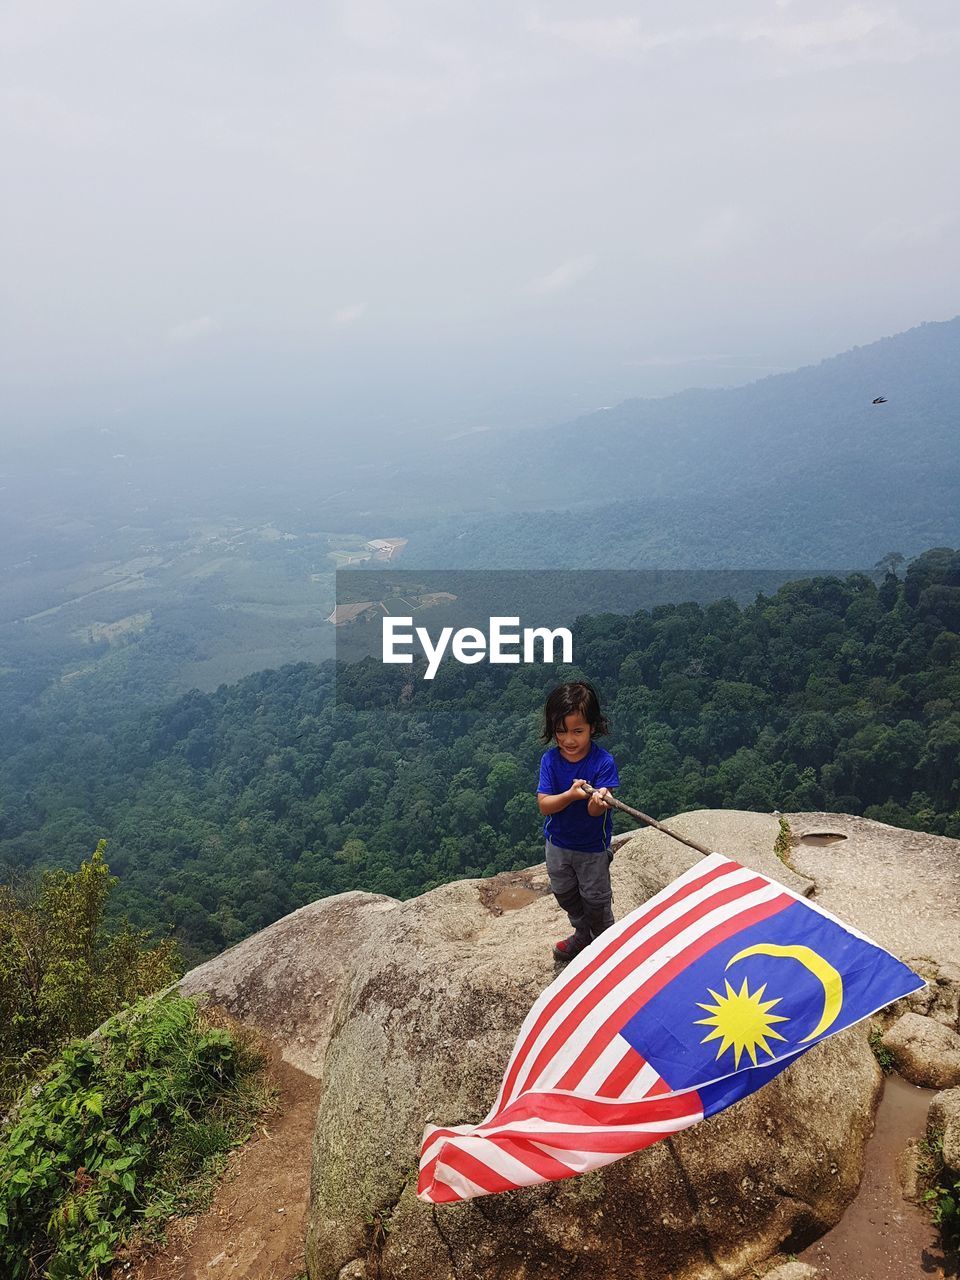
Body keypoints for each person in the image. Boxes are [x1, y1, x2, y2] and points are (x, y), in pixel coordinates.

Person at [536, 680, 619, 963]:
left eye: (577, 731)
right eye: (561, 731)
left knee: (596, 901)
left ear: (592, 727)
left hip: (591, 849)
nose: (568, 740)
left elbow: (597, 814)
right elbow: (545, 805)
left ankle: (608, 948)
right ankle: (583, 935)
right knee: (565, 894)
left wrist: (597, 803)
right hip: (557, 845)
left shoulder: (603, 763)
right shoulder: (550, 761)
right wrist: (572, 795)